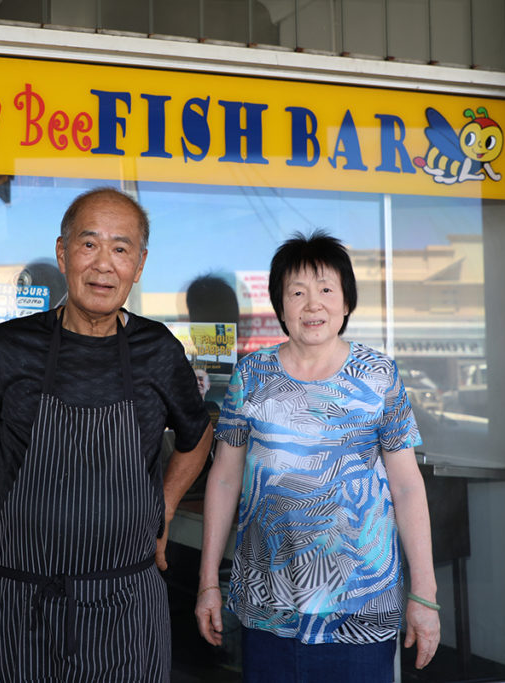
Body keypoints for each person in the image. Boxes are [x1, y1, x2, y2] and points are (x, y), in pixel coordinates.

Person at [0, 187, 214, 682]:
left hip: (128, 607)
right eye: (90, 244)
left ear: (140, 264)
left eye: (121, 248)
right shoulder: (8, 347)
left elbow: (197, 435)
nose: (104, 264)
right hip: (20, 607)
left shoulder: (157, 350)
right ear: (63, 253)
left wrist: (162, 509)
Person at [194, 231, 440, 682]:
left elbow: (407, 486)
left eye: (326, 289)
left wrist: (424, 593)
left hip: (361, 607)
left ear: (346, 303)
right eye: (297, 292)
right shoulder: (252, 375)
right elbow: (225, 479)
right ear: (280, 304)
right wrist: (208, 580)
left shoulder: (378, 374)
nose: (313, 304)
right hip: (269, 604)